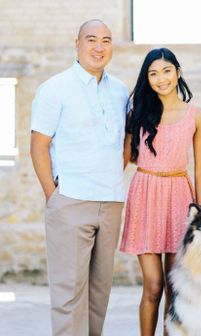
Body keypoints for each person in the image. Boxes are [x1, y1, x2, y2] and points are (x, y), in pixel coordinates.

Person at [30, 19, 129, 335]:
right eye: (91, 40)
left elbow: (125, 143)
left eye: (106, 40)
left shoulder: (120, 90)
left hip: (111, 202)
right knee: (69, 297)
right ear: (77, 44)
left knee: (99, 296)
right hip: (70, 202)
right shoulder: (54, 88)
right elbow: (39, 146)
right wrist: (54, 196)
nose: (99, 47)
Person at [120, 47, 201, 335]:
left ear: (178, 72)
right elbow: (123, 159)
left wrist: (200, 215)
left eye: (166, 71)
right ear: (147, 78)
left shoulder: (196, 116)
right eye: (153, 73)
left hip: (180, 199)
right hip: (145, 195)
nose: (161, 79)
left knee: (175, 287)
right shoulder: (138, 113)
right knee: (153, 285)